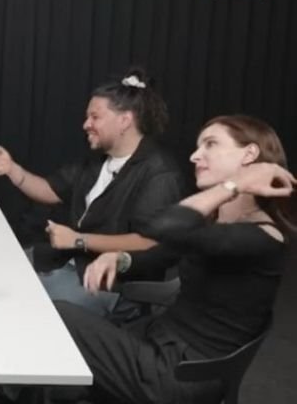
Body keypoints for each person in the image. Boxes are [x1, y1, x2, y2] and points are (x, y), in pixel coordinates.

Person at [57, 114, 296, 403]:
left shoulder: (264, 237)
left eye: (210, 144)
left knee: (56, 316)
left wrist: (234, 184)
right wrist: (118, 259)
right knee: (61, 377)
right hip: (158, 342)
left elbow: (162, 226)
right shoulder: (217, 224)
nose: (195, 155)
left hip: (180, 374)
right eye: (198, 146)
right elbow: (163, 252)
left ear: (249, 154)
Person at [0, 68, 185, 316]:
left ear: (124, 121)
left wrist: (78, 239)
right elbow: (50, 190)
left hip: (108, 284)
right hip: (66, 260)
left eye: (95, 117)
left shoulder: (159, 172)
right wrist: (12, 169)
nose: (86, 124)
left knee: (12, 301)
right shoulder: (97, 161)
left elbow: (147, 241)